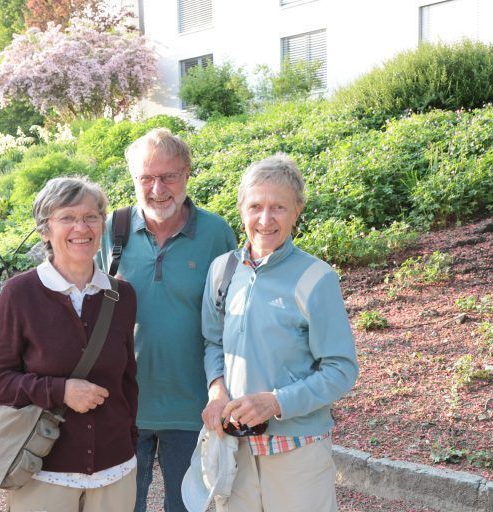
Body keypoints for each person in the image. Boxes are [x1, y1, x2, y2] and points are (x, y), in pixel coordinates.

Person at [200, 154, 359, 511]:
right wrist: (217, 391)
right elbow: (212, 342)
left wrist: (275, 402)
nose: (265, 219)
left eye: (279, 207)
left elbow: (341, 369)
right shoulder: (222, 270)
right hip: (234, 447)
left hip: (296, 450)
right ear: (241, 207)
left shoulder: (317, 279)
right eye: (256, 205)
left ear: (297, 211)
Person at [97, 128, 236, 512]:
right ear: (134, 179)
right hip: (124, 405)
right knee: (123, 506)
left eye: (169, 176)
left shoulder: (215, 234)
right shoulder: (111, 230)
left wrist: (224, 389)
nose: (158, 188)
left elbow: (232, 323)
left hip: (192, 406)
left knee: (187, 506)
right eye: (146, 177)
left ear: (188, 174)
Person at [0, 177, 138, 512]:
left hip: (116, 469)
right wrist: (60, 391)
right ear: (45, 230)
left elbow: (128, 380)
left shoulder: (122, 296)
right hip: (44, 471)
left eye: (91, 217)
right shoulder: (20, 293)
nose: (81, 227)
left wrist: (129, 443)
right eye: (67, 217)